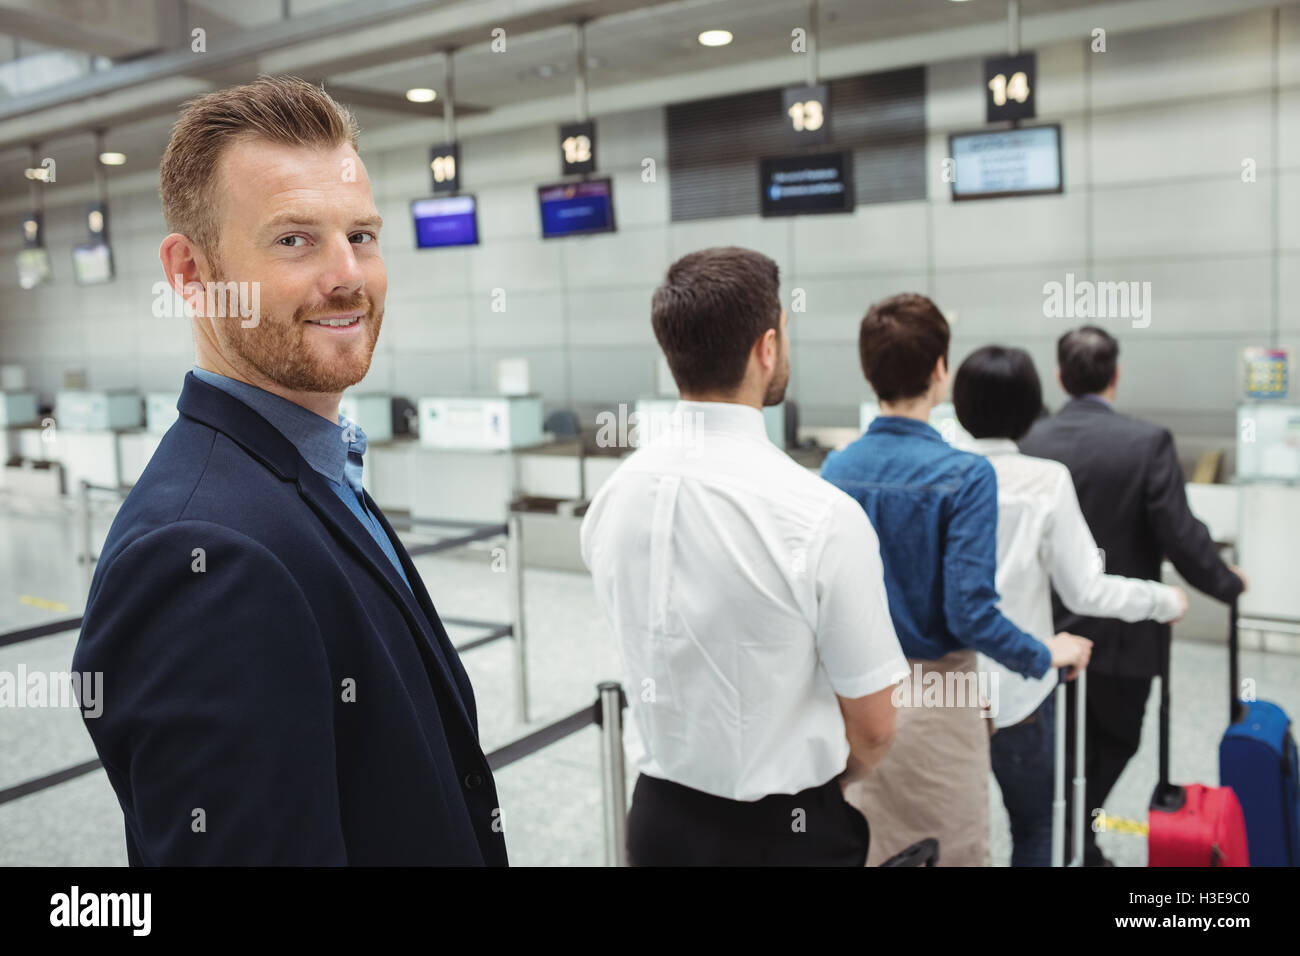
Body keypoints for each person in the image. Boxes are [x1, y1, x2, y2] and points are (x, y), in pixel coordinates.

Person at [71, 77, 506, 865]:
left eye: (362, 236)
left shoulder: (309, 472)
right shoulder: (201, 557)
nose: (348, 276)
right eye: (295, 240)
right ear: (191, 273)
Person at [580, 247, 907, 866]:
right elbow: (875, 727)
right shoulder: (821, 516)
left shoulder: (613, 498)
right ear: (766, 348)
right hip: (786, 832)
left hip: (657, 825)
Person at [820, 293, 1092, 867]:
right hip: (939, 703)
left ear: (870, 372)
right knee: (949, 851)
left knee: (872, 846)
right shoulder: (964, 476)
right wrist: (1043, 652)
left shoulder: (835, 470)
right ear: (940, 370)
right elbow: (970, 612)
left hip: (853, 695)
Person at [1019, 325, 1247, 866]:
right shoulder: (1146, 443)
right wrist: (1226, 583)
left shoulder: (1031, 442)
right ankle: (1080, 831)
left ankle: (1072, 833)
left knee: (1064, 744)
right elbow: (1181, 535)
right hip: (1125, 636)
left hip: (1048, 633)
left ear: (1060, 375)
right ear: (1116, 375)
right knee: (1118, 742)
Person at [952, 345, 1188, 866]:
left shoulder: (943, 471)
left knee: (948, 828)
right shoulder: (1044, 479)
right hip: (1021, 685)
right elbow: (1087, 590)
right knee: (1037, 826)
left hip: (948, 687)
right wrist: (1161, 599)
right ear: (1034, 401)